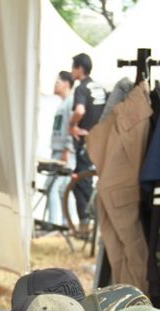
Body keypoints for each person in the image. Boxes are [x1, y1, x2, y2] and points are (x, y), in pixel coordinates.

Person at [69, 53, 107, 232]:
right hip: (100, 139)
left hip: (85, 141)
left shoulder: (82, 88)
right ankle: (93, 219)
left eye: (73, 67)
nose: (71, 71)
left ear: (80, 68)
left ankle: (87, 221)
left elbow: (80, 110)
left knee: (80, 181)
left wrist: (72, 126)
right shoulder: (99, 87)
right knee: (90, 179)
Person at [46, 71, 75, 226]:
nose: (55, 85)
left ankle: (55, 223)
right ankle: (66, 223)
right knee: (63, 189)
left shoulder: (71, 102)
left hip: (64, 153)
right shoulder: (62, 104)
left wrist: (67, 149)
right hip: (58, 151)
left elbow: (72, 127)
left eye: (58, 82)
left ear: (66, 84)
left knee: (54, 187)